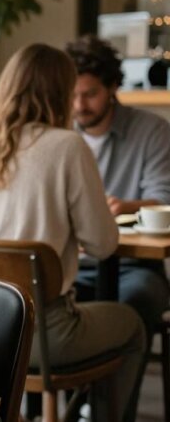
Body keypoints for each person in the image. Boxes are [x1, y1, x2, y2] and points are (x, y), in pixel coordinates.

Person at [0, 43, 146, 422]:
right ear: (61, 91)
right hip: (42, 336)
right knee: (132, 325)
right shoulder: (67, 145)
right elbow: (103, 245)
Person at [65, 36, 170, 340]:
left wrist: (124, 207)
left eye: (90, 94)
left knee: (134, 304)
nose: (79, 106)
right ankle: (78, 386)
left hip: (134, 266)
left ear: (112, 87)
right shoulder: (61, 135)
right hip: (73, 265)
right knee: (35, 303)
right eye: (72, 95)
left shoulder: (151, 131)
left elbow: (163, 199)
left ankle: (110, 390)